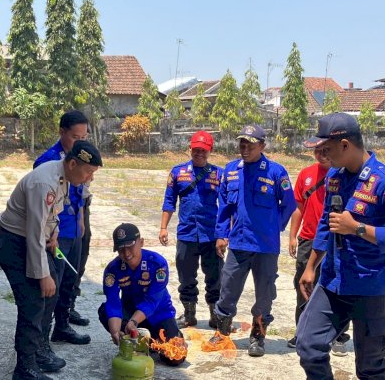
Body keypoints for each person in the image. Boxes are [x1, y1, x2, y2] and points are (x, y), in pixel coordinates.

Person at [296, 112, 385, 380]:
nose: (323, 155)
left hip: (370, 288)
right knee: (308, 346)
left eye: (327, 149)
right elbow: (326, 225)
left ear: (345, 145)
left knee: (370, 368)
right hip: (333, 282)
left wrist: (358, 228)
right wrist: (311, 266)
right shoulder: (334, 178)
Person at [0, 140, 102, 380]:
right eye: (88, 172)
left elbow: (49, 218)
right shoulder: (46, 182)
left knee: (49, 294)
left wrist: (54, 235)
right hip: (13, 243)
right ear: (73, 164)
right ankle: (25, 368)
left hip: (33, 240)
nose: (90, 178)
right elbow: (33, 234)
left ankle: (38, 350)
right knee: (33, 301)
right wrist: (42, 275)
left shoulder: (62, 177)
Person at [208, 124, 297, 357]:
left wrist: (274, 227)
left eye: (250, 144)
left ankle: (258, 336)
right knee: (228, 289)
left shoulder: (276, 172)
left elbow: (289, 205)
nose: (244, 148)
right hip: (238, 243)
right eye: (242, 144)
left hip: (266, 247)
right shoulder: (230, 171)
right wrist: (221, 234)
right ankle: (222, 331)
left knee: (265, 292)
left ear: (262, 146)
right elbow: (224, 207)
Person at [33, 110, 92, 345]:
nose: (79, 142)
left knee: (71, 279)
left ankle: (63, 325)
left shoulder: (82, 158)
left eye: (83, 138)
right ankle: (42, 338)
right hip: (56, 234)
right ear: (62, 132)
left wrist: (82, 222)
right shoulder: (48, 161)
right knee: (52, 286)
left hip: (75, 230)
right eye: (75, 137)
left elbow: (80, 195)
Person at [287, 141, 350, 355]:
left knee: (337, 286)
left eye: (325, 150)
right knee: (304, 285)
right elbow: (298, 208)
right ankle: (302, 331)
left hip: (336, 240)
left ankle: (339, 336)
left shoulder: (343, 175)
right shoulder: (305, 174)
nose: (321, 155)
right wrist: (292, 236)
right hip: (308, 239)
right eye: (317, 151)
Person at [159, 130, 224, 329]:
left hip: (211, 234)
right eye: (196, 150)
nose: (199, 154)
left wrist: (224, 234)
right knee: (186, 276)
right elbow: (169, 201)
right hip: (187, 233)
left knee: (215, 276)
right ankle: (189, 314)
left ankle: (216, 315)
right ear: (190, 149)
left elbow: (226, 206)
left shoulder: (218, 174)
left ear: (210, 151)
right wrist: (163, 227)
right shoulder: (178, 172)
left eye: (203, 151)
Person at [99, 223, 183, 356]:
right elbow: (113, 301)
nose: (126, 254)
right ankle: (137, 341)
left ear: (141, 242)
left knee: (174, 357)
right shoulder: (112, 270)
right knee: (105, 311)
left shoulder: (157, 264)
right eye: (121, 249)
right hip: (131, 313)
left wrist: (133, 321)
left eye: (130, 246)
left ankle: (165, 337)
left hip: (158, 312)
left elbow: (152, 301)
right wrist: (115, 331)